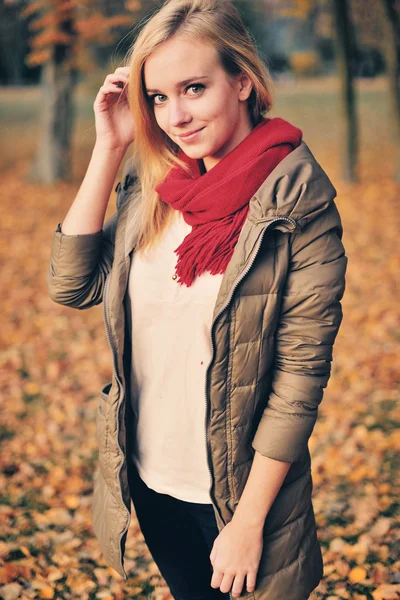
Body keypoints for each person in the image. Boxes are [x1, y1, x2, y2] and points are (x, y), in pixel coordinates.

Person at [46, 0, 348, 599]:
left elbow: (299, 379)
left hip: (235, 498)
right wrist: (109, 149)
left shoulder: (299, 207)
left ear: (242, 81)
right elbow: (72, 284)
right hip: (152, 483)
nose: (176, 116)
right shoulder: (160, 189)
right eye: (158, 97)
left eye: (193, 88)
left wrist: (246, 524)